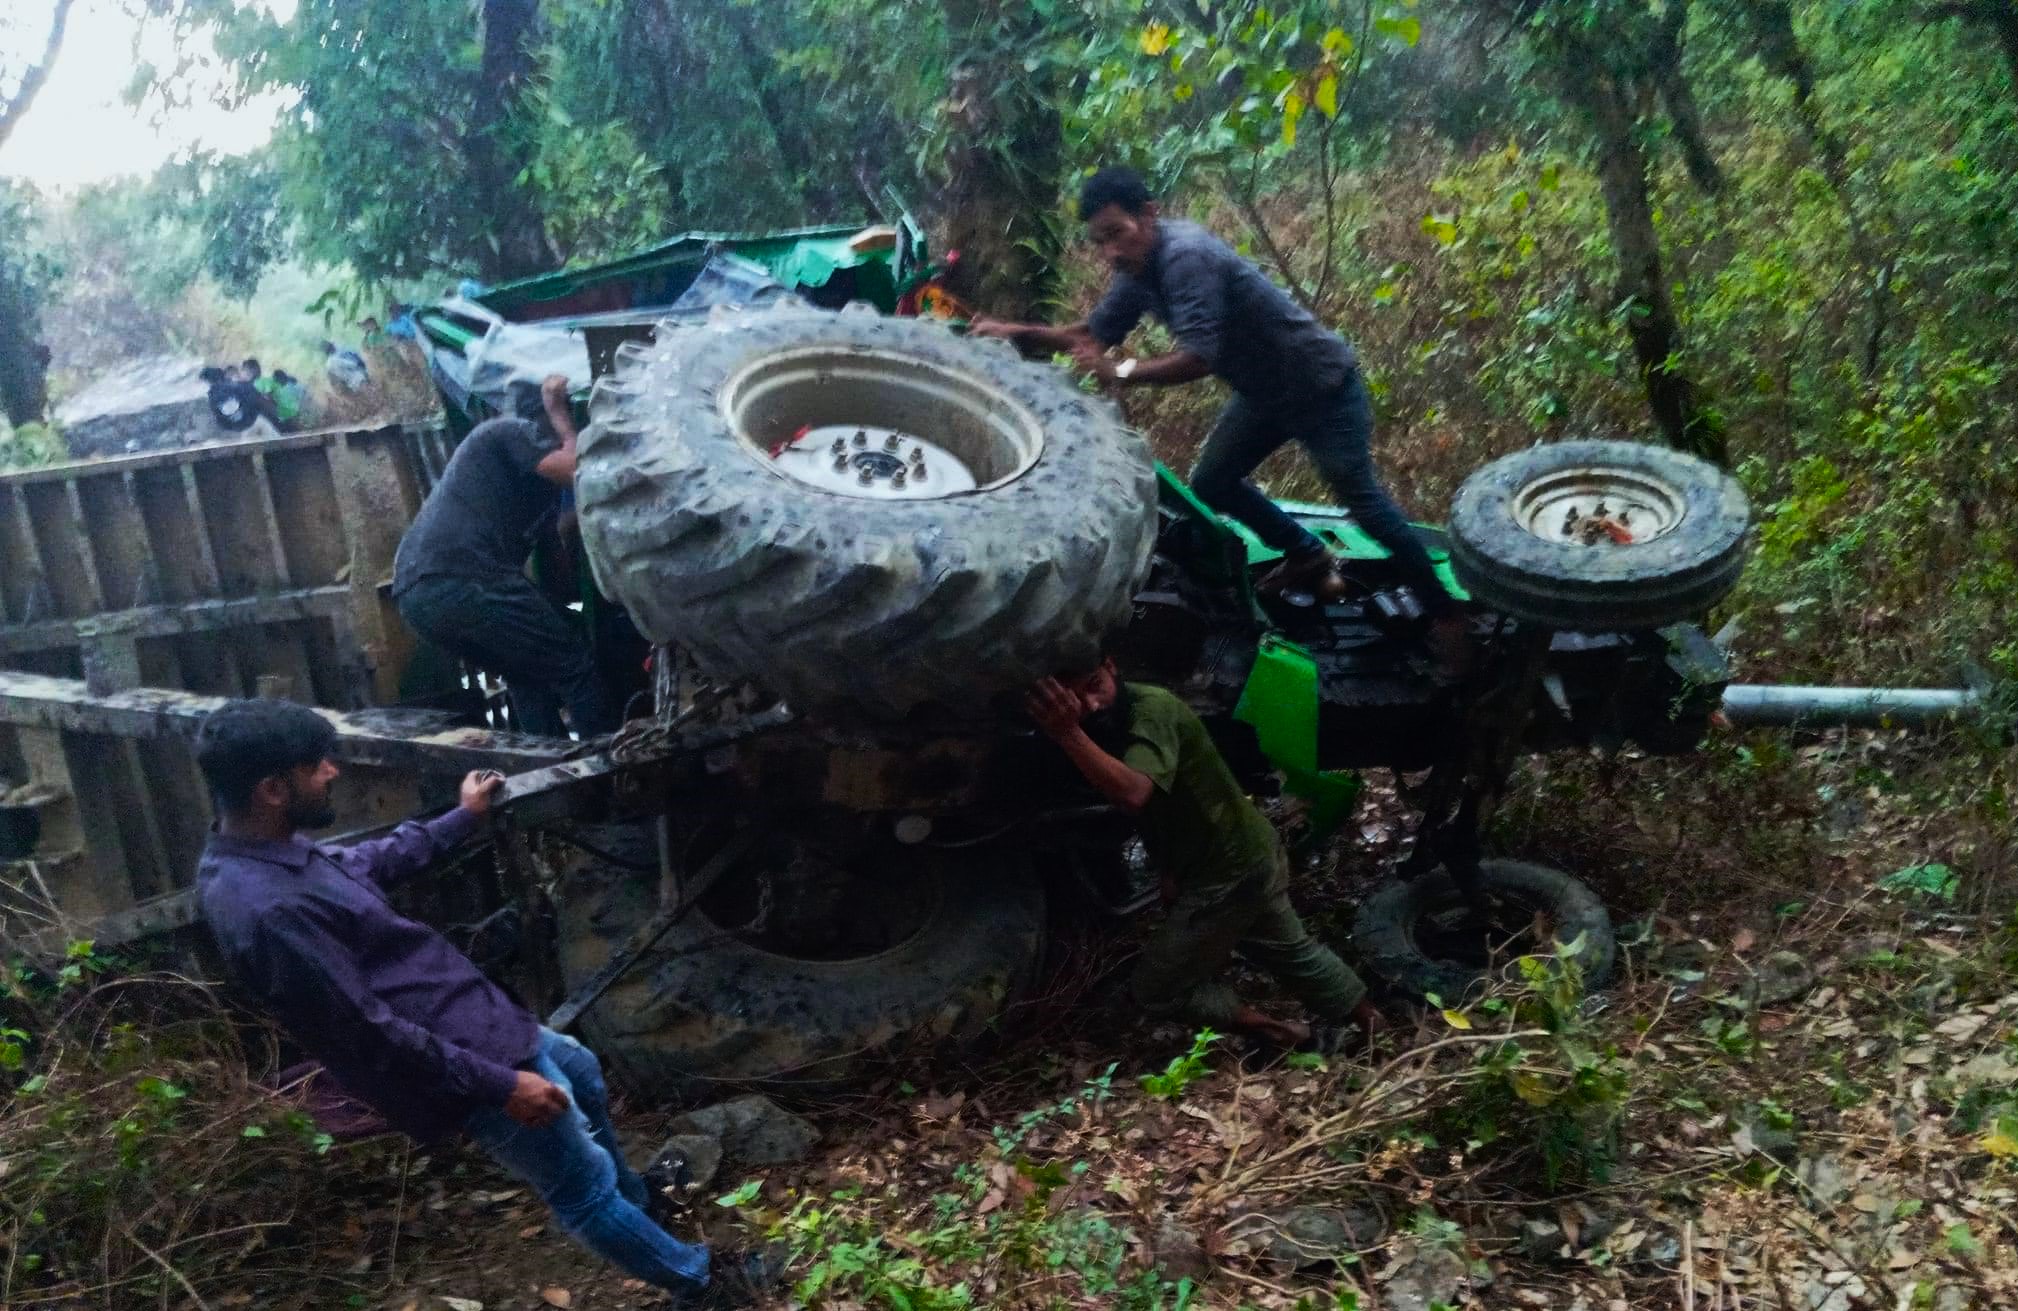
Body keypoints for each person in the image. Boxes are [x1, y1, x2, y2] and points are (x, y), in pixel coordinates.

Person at [193, 698, 767, 1307]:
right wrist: (500, 1087)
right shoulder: (267, 910)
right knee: (580, 1189)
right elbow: (369, 1033)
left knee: (581, 1071)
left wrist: (459, 818)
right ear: (273, 789)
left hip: (478, 1021)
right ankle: (703, 1283)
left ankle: (641, 1205)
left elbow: (367, 863)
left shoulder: (276, 854)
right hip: (462, 1062)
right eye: (317, 766)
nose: (332, 771)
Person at [972, 166, 1469, 676]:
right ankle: (1306, 554)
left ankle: (1446, 615)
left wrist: (1122, 369)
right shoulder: (1136, 271)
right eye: (1099, 242)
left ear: (1148, 214)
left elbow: (1198, 357)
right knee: (1211, 482)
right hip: (1265, 394)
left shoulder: (1187, 257)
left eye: (1116, 234)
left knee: (1365, 505)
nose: (1111, 253)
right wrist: (1018, 332)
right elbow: (1094, 332)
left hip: (1323, 390)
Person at [1025, 660, 1381, 1050]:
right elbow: (1166, 807)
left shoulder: (1151, 709)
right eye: (1075, 700)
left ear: (1112, 666)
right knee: (1290, 950)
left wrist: (1067, 732)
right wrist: (1170, 870)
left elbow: (1134, 794)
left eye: (1095, 685)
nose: (1091, 704)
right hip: (1245, 853)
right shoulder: (1110, 722)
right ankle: (1374, 1025)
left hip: (1230, 868)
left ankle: (1277, 1031)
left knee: (1155, 990)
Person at [392, 374, 619, 738]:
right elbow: (578, 470)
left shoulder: (528, 482)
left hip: (419, 595)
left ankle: (552, 778)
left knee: (527, 673)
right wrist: (562, 415)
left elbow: (563, 540)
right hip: (461, 578)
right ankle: (613, 771)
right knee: (574, 663)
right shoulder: (507, 431)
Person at [199, 365, 263, 433]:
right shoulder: (238, 386)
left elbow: (221, 417)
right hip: (248, 419)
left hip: (236, 425)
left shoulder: (215, 394)